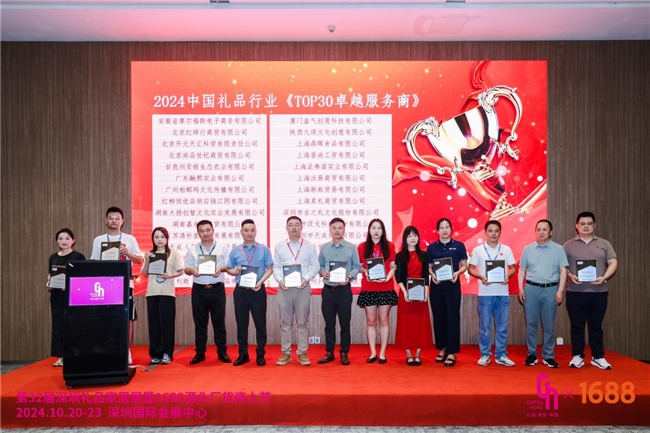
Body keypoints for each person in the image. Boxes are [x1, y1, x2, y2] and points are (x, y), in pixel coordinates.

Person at [563, 211, 618, 370]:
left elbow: (613, 262)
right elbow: (562, 266)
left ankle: (598, 356)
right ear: (577, 226)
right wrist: (570, 275)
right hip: (575, 292)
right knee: (577, 326)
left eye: (589, 223)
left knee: (596, 326)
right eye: (582, 224)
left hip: (599, 292)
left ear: (594, 225)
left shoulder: (604, 243)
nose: (586, 226)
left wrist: (605, 277)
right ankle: (577, 355)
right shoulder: (568, 245)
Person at [90, 206, 142, 365]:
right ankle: (108, 349)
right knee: (106, 318)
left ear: (122, 221)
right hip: (105, 285)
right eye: (111, 218)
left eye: (117, 218)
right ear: (106, 221)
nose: (114, 221)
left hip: (126, 284)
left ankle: (126, 350)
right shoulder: (99, 240)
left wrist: (127, 253)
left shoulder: (129, 239)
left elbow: (139, 260)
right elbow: (93, 261)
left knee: (127, 318)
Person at [518, 219, 569, 368]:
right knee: (531, 324)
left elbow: (563, 270)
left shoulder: (558, 249)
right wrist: (520, 288)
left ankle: (548, 355)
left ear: (551, 232)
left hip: (550, 289)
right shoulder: (528, 249)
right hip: (531, 289)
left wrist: (560, 290)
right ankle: (532, 354)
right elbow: (522, 270)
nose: (541, 232)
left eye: (545, 229)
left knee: (548, 325)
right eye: (539, 229)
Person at [468, 220, 517, 367]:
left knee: (502, 327)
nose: (493, 234)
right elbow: (470, 269)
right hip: (485, 294)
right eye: (490, 231)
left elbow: (513, 268)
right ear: (485, 233)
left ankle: (501, 355)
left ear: (500, 233)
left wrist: (508, 276)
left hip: (503, 294)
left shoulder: (506, 250)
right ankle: (485, 354)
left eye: (496, 231)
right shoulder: (478, 250)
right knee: (485, 328)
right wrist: (481, 276)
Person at [272, 216, 320, 366]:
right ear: (286, 228)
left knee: (302, 321)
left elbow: (316, 266)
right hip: (284, 288)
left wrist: (306, 278)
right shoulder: (280, 245)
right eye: (291, 225)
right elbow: (276, 266)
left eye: (297, 225)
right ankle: (285, 353)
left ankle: (302, 353)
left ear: (301, 227)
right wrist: (280, 280)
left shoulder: (310, 245)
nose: (294, 228)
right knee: (285, 322)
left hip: (302, 288)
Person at [227, 219, 274, 367]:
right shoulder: (235, 251)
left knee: (260, 324)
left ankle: (260, 354)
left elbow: (270, 269)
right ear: (241, 232)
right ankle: (243, 354)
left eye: (252, 230)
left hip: (258, 290)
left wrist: (261, 281)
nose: (249, 233)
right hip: (241, 291)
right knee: (241, 324)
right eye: (246, 230)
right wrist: (235, 271)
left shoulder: (264, 249)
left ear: (256, 232)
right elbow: (229, 269)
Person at [184, 220, 232, 365]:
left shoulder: (222, 247)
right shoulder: (193, 249)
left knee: (219, 322)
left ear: (213, 230)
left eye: (208, 230)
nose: (205, 233)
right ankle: (200, 352)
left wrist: (221, 268)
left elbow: (229, 266)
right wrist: (192, 270)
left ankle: (222, 352)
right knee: (200, 323)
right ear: (198, 233)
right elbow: (186, 269)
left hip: (217, 289)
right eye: (202, 231)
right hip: (199, 289)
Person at [317, 217, 361, 366]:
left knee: (345, 323)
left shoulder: (351, 248)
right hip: (328, 290)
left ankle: (344, 353)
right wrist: (322, 272)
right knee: (329, 324)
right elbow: (320, 265)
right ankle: (329, 352)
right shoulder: (324, 248)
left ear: (344, 230)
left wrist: (349, 277)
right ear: (329, 230)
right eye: (334, 228)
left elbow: (357, 266)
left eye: (340, 228)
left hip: (344, 290)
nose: (337, 231)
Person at [426, 218, 468, 367]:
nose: (444, 230)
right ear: (437, 230)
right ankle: (442, 348)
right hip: (437, 286)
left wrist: (457, 273)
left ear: (451, 229)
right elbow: (429, 266)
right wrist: (432, 275)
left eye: (447, 227)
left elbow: (464, 265)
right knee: (439, 317)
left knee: (452, 317)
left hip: (452, 285)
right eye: (441, 228)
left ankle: (452, 351)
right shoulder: (432, 248)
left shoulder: (458, 246)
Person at [141, 227, 183, 365]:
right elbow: (145, 273)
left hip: (167, 293)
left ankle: (167, 353)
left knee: (167, 324)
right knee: (154, 325)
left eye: (162, 237)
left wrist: (169, 275)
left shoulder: (173, 253)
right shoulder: (150, 254)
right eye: (156, 237)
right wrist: (147, 260)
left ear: (167, 238)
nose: (159, 240)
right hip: (152, 293)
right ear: (153, 239)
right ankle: (155, 354)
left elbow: (180, 271)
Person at [357, 218, 397, 364]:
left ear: (383, 231)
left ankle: (383, 353)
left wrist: (387, 278)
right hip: (369, 287)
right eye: (373, 228)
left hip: (386, 287)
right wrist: (365, 272)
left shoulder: (390, 245)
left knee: (384, 320)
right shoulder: (362, 246)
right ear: (369, 230)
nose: (376, 231)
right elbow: (358, 266)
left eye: (379, 228)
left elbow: (394, 266)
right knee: (371, 321)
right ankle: (373, 352)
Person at [47, 228, 86, 367]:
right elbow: (51, 274)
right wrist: (48, 283)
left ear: (73, 241)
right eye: (61, 238)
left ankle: (74, 355)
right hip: (57, 296)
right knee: (58, 326)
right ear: (57, 241)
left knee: (73, 325)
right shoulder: (53, 257)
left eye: (67, 238)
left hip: (73, 297)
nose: (64, 241)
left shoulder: (78, 257)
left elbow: (82, 278)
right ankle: (61, 356)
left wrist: (70, 285)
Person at [395, 225, 433, 366]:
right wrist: (404, 291)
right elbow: (398, 276)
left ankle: (417, 354)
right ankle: (408, 354)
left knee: (420, 324)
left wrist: (426, 291)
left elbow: (426, 275)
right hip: (405, 294)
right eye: (409, 236)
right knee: (406, 324)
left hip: (420, 294)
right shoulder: (400, 256)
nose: (413, 238)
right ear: (405, 238)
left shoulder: (423, 255)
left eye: (415, 235)